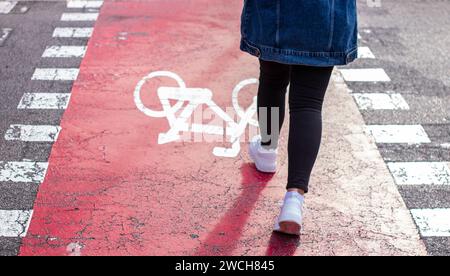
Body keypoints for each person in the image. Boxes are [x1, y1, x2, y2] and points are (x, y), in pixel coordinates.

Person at [241, 0, 358, 235]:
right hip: (327, 14)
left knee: (272, 80)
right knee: (308, 103)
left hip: (277, 10)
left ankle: (267, 149)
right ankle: (294, 200)